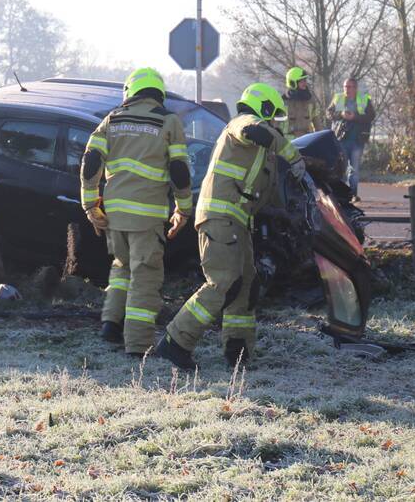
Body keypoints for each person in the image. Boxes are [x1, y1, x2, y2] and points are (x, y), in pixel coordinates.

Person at [157, 83, 306, 370]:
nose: (275, 124)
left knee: (245, 284)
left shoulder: (260, 153)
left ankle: (237, 350)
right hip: (220, 217)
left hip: (236, 222)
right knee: (223, 281)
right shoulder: (243, 124)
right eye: (273, 117)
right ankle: (175, 342)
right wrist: (292, 154)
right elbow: (256, 131)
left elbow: (268, 191)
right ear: (264, 109)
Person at [79, 67, 193, 357]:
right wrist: (184, 209)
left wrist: (91, 205)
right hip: (148, 214)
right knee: (146, 275)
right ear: (158, 94)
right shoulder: (168, 121)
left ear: (130, 92)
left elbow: (91, 161)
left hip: (115, 213)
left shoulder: (112, 119)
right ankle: (138, 345)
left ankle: (110, 325)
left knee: (122, 266)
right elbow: (179, 170)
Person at [327, 77, 375, 200]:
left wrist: (355, 117)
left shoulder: (364, 99)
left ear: (355, 88)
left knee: (354, 169)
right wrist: (341, 115)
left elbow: (371, 116)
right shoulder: (338, 98)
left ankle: (353, 194)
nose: (346, 89)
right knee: (341, 168)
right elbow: (328, 114)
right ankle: (340, 194)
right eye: (345, 87)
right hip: (341, 140)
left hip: (358, 140)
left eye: (349, 87)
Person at [282, 66, 321, 140]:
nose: (305, 83)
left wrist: (320, 138)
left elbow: (317, 122)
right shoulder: (283, 102)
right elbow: (277, 126)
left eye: (305, 80)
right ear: (292, 83)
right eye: (301, 81)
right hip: (290, 142)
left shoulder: (310, 100)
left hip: (307, 140)